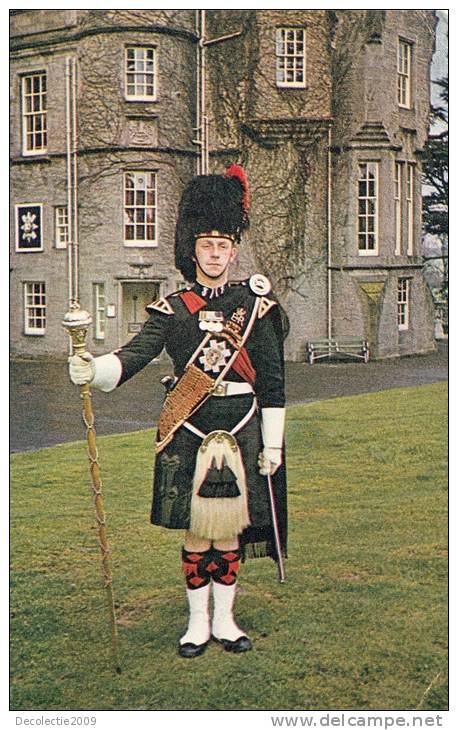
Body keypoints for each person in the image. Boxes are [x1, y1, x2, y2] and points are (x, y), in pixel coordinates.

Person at [69, 165, 287, 658]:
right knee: (195, 532)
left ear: (234, 250)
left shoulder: (258, 307)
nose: (215, 253)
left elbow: (273, 382)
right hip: (188, 427)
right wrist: (93, 369)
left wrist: (272, 444)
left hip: (243, 426)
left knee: (229, 530)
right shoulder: (173, 308)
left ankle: (227, 620)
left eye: (223, 244)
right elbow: (133, 356)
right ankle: (197, 623)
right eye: (206, 243)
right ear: (193, 249)